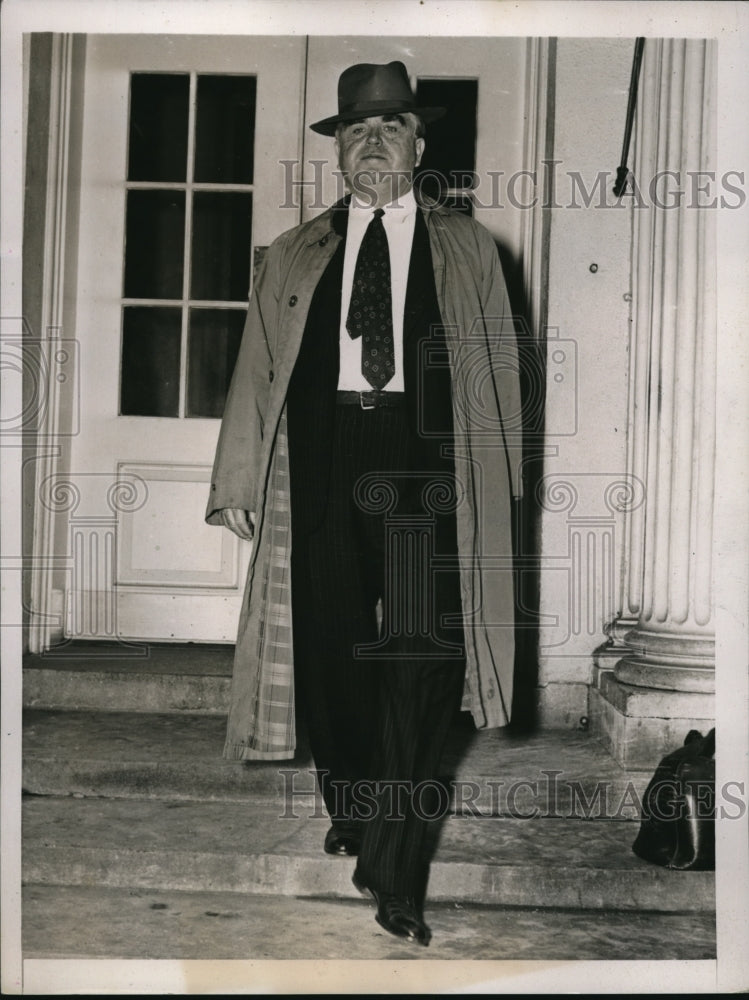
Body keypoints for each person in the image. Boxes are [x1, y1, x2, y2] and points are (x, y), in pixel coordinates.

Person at [206, 61, 522, 946]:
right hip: (321, 460)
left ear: (422, 143)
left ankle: (394, 868)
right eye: (355, 128)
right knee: (334, 660)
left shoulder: (468, 248)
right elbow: (256, 371)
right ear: (337, 152)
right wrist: (237, 481)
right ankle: (350, 795)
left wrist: (499, 494)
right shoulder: (297, 251)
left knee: (420, 667)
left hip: (426, 469)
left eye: (391, 125)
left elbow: (499, 378)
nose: (373, 140)